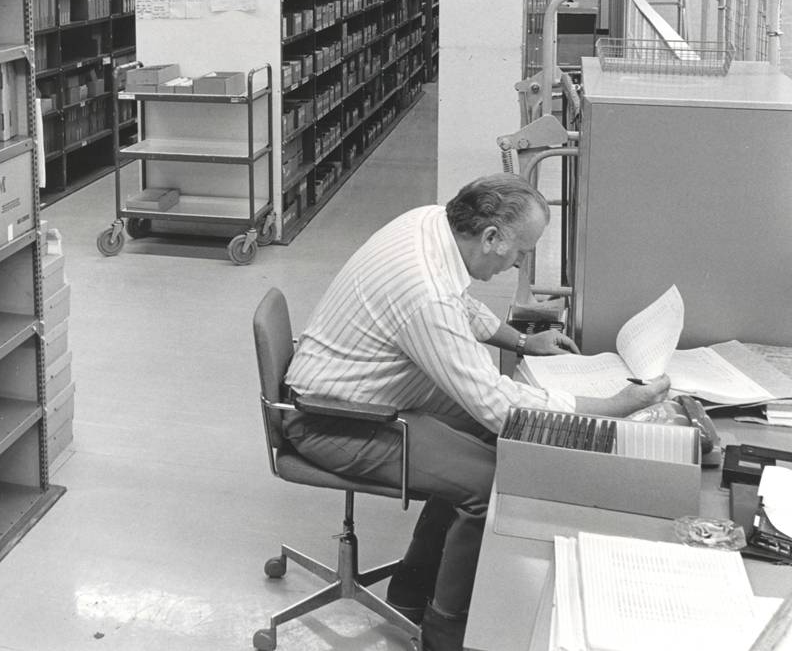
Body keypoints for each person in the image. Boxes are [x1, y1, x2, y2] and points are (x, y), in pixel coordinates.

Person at [282, 173, 670, 651]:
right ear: (490, 237)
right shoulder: (424, 292)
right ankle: (444, 629)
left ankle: (411, 589)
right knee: (487, 485)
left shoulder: (430, 223)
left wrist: (523, 341)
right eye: (520, 252)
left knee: (497, 447)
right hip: (335, 420)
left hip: (372, 394)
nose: (519, 264)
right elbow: (495, 406)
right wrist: (608, 409)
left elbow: (462, 307)